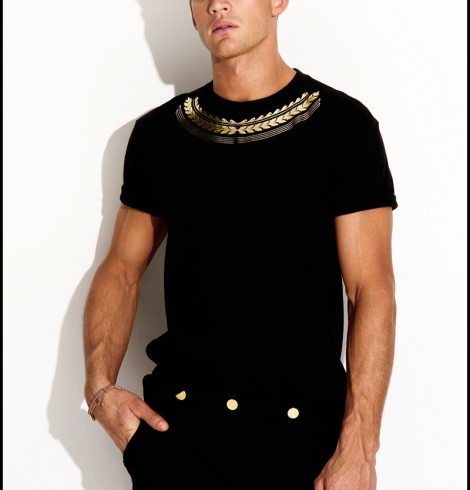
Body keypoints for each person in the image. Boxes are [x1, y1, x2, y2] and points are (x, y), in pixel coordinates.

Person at [83, 0, 398, 488]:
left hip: (303, 444)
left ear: (278, 1)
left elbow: (370, 290)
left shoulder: (343, 128)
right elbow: (122, 269)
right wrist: (100, 391)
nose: (218, 4)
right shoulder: (159, 136)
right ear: (191, 13)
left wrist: (360, 446)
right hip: (178, 437)